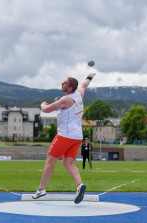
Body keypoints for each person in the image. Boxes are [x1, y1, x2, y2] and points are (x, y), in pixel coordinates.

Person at [33, 73, 96, 204]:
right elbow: (84, 84)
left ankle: (41, 190)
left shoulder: (65, 100)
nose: (62, 84)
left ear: (70, 88)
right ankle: (79, 185)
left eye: (65, 83)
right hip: (77, 137)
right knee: (68, 162)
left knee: (50, 160)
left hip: (65, 136)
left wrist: (42, 104)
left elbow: (47, 109)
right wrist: (90, 76)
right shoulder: (79, 93)